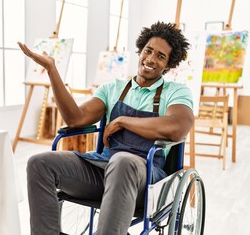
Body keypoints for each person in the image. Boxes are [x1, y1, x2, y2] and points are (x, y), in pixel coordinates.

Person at [18, 21, 194, 235]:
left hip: (145, 179)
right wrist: (52, 70)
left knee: (123, 161)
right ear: (140, 50)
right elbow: (75, 118)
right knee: (39, 163)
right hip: (104, 167)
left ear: (168, 65)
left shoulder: (176, 92)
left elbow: (177, 127)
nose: (151, 59)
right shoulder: (113, 88)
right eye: (148, 51)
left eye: (160, 56)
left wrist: (122, 121)